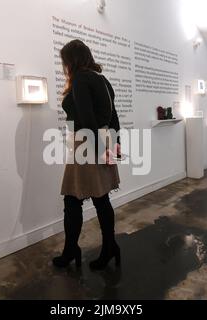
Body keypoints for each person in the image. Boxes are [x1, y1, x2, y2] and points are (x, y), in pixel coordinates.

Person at [52, 39, 121, 270]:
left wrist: (101, 151)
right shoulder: (102, 79)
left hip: (87, 143)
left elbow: (86, 116)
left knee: (72, 199)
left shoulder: (81, 78)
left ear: (71, 60)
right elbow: (114, 115)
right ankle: (108, 246)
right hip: (101, 140)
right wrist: (115, 143)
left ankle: (72, 250)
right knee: (101, 198)